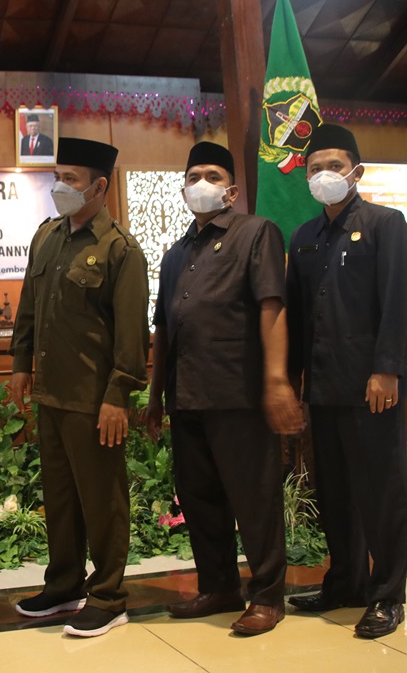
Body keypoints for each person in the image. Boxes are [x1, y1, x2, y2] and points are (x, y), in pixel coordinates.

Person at [144, 141, 303, 636]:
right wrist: (154, 398)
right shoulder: (174, 255)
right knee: (199, 499)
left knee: (254, 499)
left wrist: (277, 381)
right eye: (193, 176)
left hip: (238, 394)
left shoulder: (256, 234)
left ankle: (268, 596)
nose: (200, 185)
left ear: (230, 190)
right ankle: (218, 587)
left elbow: (271, 306)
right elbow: (164, 331)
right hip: (186, 396)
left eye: (211, 176)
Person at [10, 137, 149, 638]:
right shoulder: (46, 237)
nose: (59, 186)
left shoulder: (119, 250)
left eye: (70, 179)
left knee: (102, 499)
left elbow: (132, 336)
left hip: (94, 400)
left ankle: (108, 596)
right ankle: (64, 583)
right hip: (51, 393)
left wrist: (119, 396)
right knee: (61, 496)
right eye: (58, 176)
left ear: (99, 186)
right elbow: (30, 305)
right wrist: (20, 363)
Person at [285, 124, 407, 638]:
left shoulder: (386, 224)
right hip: (322, 388)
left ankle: (387, 596)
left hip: (372, 388)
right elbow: (297, 317)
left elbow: (399, 301)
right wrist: (295, 382)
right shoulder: (304, 237)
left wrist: (388, 368)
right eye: (315, 167)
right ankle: (345, 582)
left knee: (380, 494)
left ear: (357, 172)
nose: (324, 175)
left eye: (334, 166)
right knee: (334, 492)